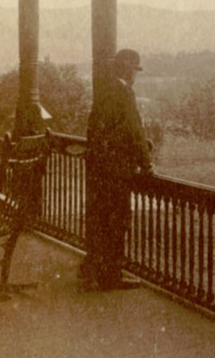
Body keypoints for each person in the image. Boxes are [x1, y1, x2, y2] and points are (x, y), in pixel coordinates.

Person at [80, 48, 153, 290]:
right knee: (117, 222)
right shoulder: (123, 92)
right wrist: (146, 163)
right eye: (134, 69)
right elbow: (134, 130)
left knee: (100, 220)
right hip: (117, 171)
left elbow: (99, 129)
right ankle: (111, 275)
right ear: (127, 69)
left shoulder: (105, 90)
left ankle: (94, 269)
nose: (135, 75)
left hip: (100, 169)